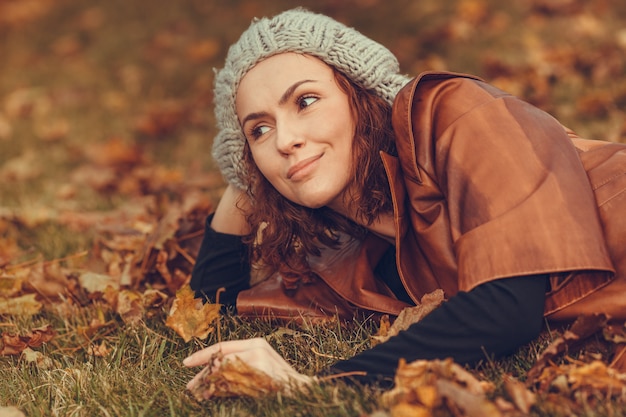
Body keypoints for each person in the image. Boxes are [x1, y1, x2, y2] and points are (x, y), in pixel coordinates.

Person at [183, 8, 626, 391]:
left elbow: (508, 306)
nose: (287, 139)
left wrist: (320, 384)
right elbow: (212, 305)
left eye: (306, 101)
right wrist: (246, 170)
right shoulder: (351, 261)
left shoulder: (457, 113)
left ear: (362, 97)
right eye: (260, 129)